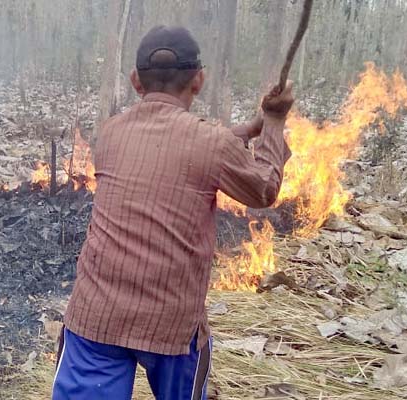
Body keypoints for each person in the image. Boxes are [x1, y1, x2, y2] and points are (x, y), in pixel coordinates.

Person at [52, 25, 293, 400]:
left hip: (95, 317)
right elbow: (264, 189)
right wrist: (274, 122)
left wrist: (246, 130)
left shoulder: (110, 133)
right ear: (199, 81)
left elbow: (175, 145)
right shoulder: (210, 143)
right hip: (171, 329)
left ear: (135, 81)